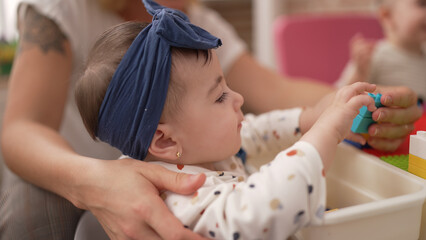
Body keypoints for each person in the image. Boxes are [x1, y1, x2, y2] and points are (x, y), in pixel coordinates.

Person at [0, 0, 421, 239]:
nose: (237, 98)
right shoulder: (187, 197)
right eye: (220, 95)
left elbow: (257, 124)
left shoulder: (199, 150)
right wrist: (326, 131)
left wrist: (318, 113)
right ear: (165, 141)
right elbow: (265, 207)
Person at [336, 0, 426, 106]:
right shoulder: (374, 56)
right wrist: (359, 73)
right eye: (422, 4)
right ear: (387, 16)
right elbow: (337, 98)